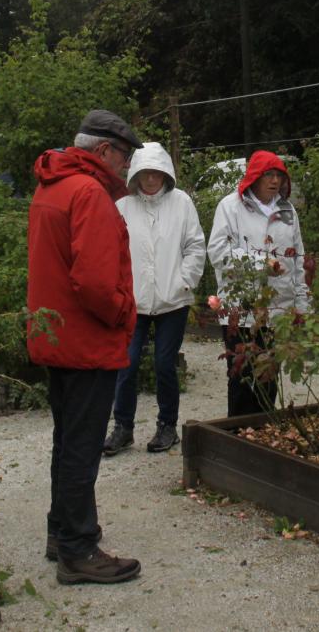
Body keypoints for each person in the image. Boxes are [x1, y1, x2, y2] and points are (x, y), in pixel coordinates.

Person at [26, 109, 145, 585]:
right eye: (125, 155)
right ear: (103, 151)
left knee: (66, 441)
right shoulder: (89, 193)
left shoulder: (52, 185)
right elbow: (95, 282)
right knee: (81, 447)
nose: (128, 165)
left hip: (57, 335)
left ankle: (62, 533)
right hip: (85, 339)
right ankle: (79, 549)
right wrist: (124, 314)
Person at [103, 143, 206, 456]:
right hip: (133, 301)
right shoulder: (123, 205)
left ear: (166, 173)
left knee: (164, 363)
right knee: (127, 362)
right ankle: (123, 427)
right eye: (145, 173)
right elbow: (112, 251)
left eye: (156, 173)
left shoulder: (181, 202)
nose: (151, 179)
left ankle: (167, 426)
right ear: (136, 173)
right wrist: (119, 288)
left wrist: (184, 283)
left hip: (172, 300)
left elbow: (195, 246)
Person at [206, 150, 310, 417]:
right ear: (254, 177)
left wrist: (302, 306)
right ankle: (237, 436)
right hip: (240, 310)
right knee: (241, 376)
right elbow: (218, 253)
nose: (274, 181)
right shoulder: (230, 207)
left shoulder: (287, 211)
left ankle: (263, 437)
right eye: (268, 175)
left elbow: (298, 260)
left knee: (268, 377)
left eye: (278, 175)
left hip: (278, 310)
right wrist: (259, 263)